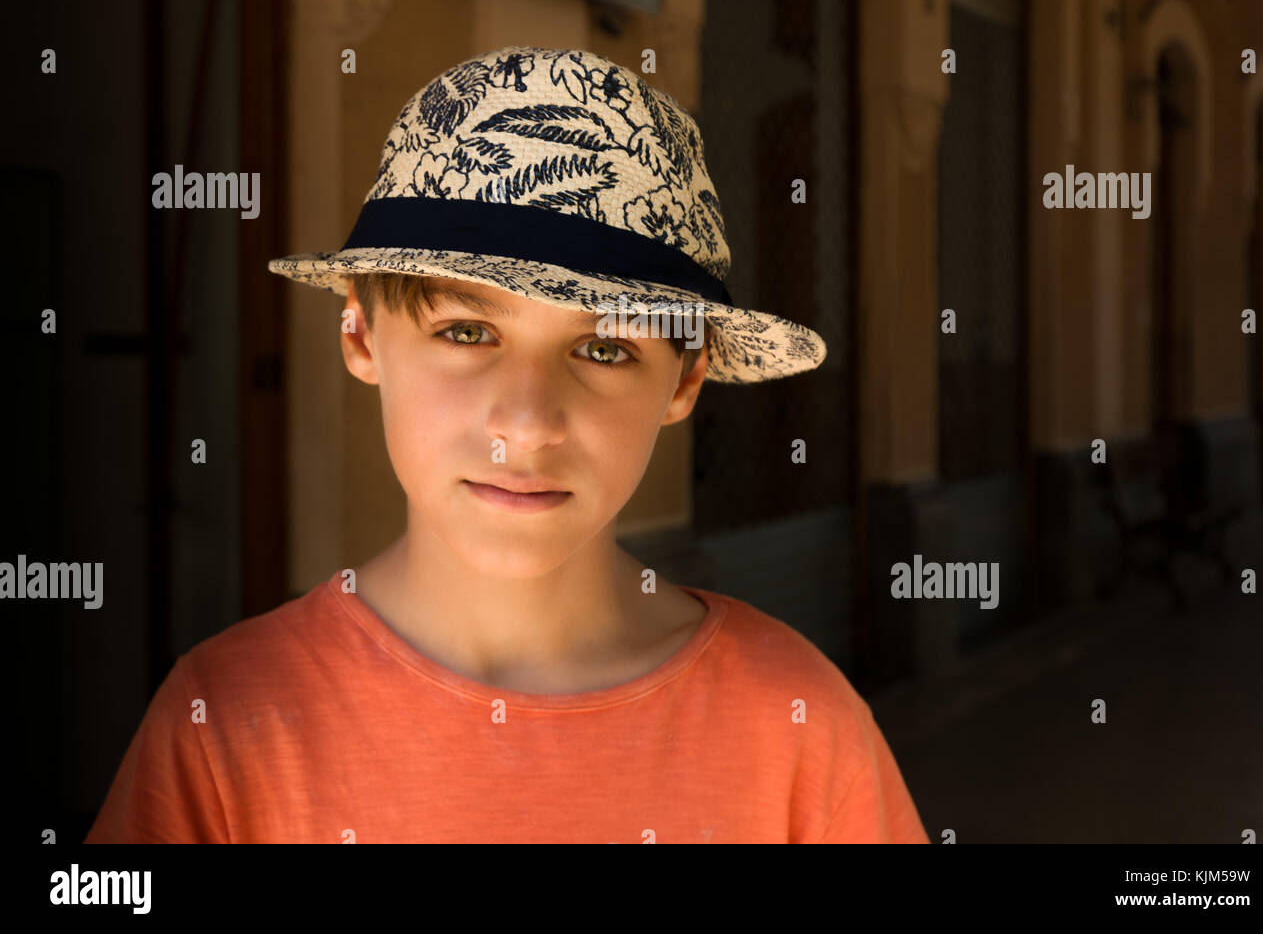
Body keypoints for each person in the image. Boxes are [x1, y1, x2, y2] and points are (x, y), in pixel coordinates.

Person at [85, 45, 928, 843]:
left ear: (682, 381)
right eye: (464, 331)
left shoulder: (798, 730)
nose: (525, 425)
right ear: (361, 332)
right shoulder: (223, 725)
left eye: (604, 349)